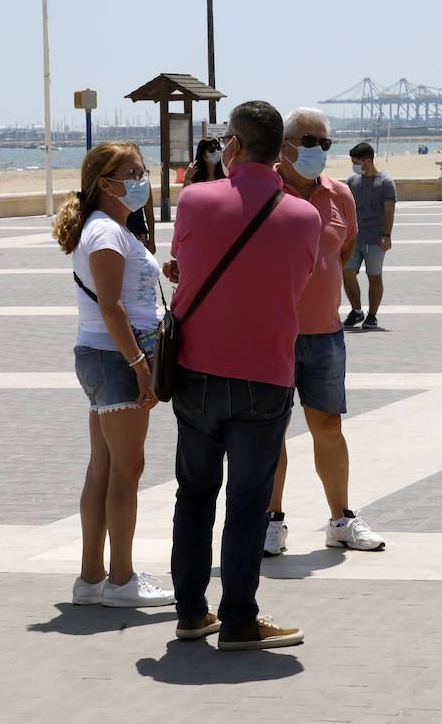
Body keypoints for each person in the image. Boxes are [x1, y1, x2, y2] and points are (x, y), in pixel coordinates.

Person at [167, 100, 320, 649]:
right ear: (281, 151)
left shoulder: (194, 198)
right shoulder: (304, 215)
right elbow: (294, 286)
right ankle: (238, 620)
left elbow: (183, 263)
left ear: (231, 144)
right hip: (265, 374)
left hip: (197, 370)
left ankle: (189, 612)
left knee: (194, 495)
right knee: (248, 504)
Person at [50, 141, 174, 609]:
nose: (142, 178)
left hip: (104, 356)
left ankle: (91, 578)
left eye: (143, 169)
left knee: (104, 467)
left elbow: (124, 292)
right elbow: (110, 305)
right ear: (105, 183)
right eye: (133, 172)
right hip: (117, 357)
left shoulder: (111, 229)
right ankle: (121, 581)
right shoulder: (104, 232)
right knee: (127, 469)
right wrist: (142, 367)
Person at [265, 107, 387, 557]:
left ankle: (341, 519)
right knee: (270, 432)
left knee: (329, 428)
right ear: (286, 145)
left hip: (325, 333)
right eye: (309, 140)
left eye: (325, 142)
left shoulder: (340, 195)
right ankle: (271, 521)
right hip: (270, 334)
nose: (319, 150)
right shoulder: (263, 191)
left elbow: (345, 246)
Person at [342, 141, 397, 329]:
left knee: (374, 277)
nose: (354, 166)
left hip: (375, 239)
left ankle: (372, 315)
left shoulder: (385, 182)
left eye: (356, 162)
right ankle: (356, 311)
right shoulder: (352, 181)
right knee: (347, 272)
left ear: (367, 161)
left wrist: (387, 235)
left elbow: (389, 211)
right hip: (354, 238)